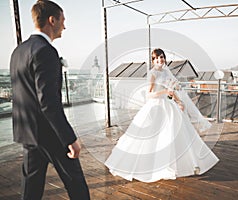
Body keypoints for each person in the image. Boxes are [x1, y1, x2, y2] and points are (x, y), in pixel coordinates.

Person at [9, 1, 90, 199]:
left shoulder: (18, 52)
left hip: (27, 131)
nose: (64, 26)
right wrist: (69, 138)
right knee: (77, 184)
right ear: (52, 20)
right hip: (49, 133)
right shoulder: (46, 51)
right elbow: (48, 102)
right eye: (63, 20)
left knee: (31, 188)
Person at [105, 48, 219, 182]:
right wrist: (165, 92)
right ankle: (155, 166)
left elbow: (171, 90)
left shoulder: (166, 72)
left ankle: (176, 164)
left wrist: (179, 101)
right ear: (153, 61)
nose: (160, 60)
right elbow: (149, 95)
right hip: (155, 106)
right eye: (157, 58)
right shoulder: (152, 74)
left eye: (162, 57)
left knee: (174, 134)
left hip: (168, 105)